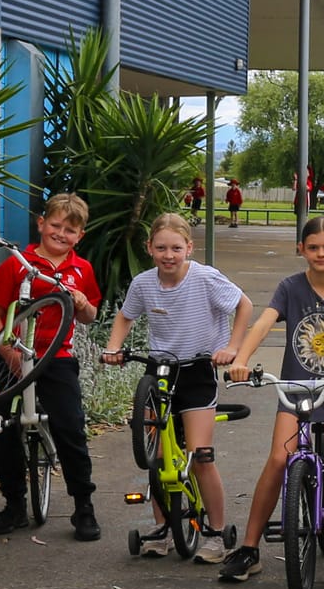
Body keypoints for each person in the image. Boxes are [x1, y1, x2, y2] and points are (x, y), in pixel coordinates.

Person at [220, 216, 324, 582]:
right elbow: (263, 323)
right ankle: (249, 548)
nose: (320, 253)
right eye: (313, 247)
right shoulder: (290, 288)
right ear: (301, 250)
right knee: (279, 458)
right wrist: (242, 360)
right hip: (296, 389)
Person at [102, 213, 254, 564]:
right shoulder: (143, 284)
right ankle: (162, 528)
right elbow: (126, 315)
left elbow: (244, 305)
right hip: (159, 371)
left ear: (189, 247)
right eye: (160, 248)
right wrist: (113, 347)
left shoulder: (204, 278)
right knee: (157, 456)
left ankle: (215, 533)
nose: (168, 255)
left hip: (199, 368)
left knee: (201, 455)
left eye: (175, 248)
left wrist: (231, 347)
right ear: (149, 249)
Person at [0, 193, 103, 540]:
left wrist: (81, 305)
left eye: (70, 230)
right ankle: (14, 504)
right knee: (0, 427)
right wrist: (7, 353)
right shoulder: (19, 262)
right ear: (41, 224)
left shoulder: (82, 269)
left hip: (55, 358)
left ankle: (83, 507)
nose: (60, 234)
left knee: (70, 427)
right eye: (55, 225)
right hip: (12, 356)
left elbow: (91, 316)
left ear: (80, 235)